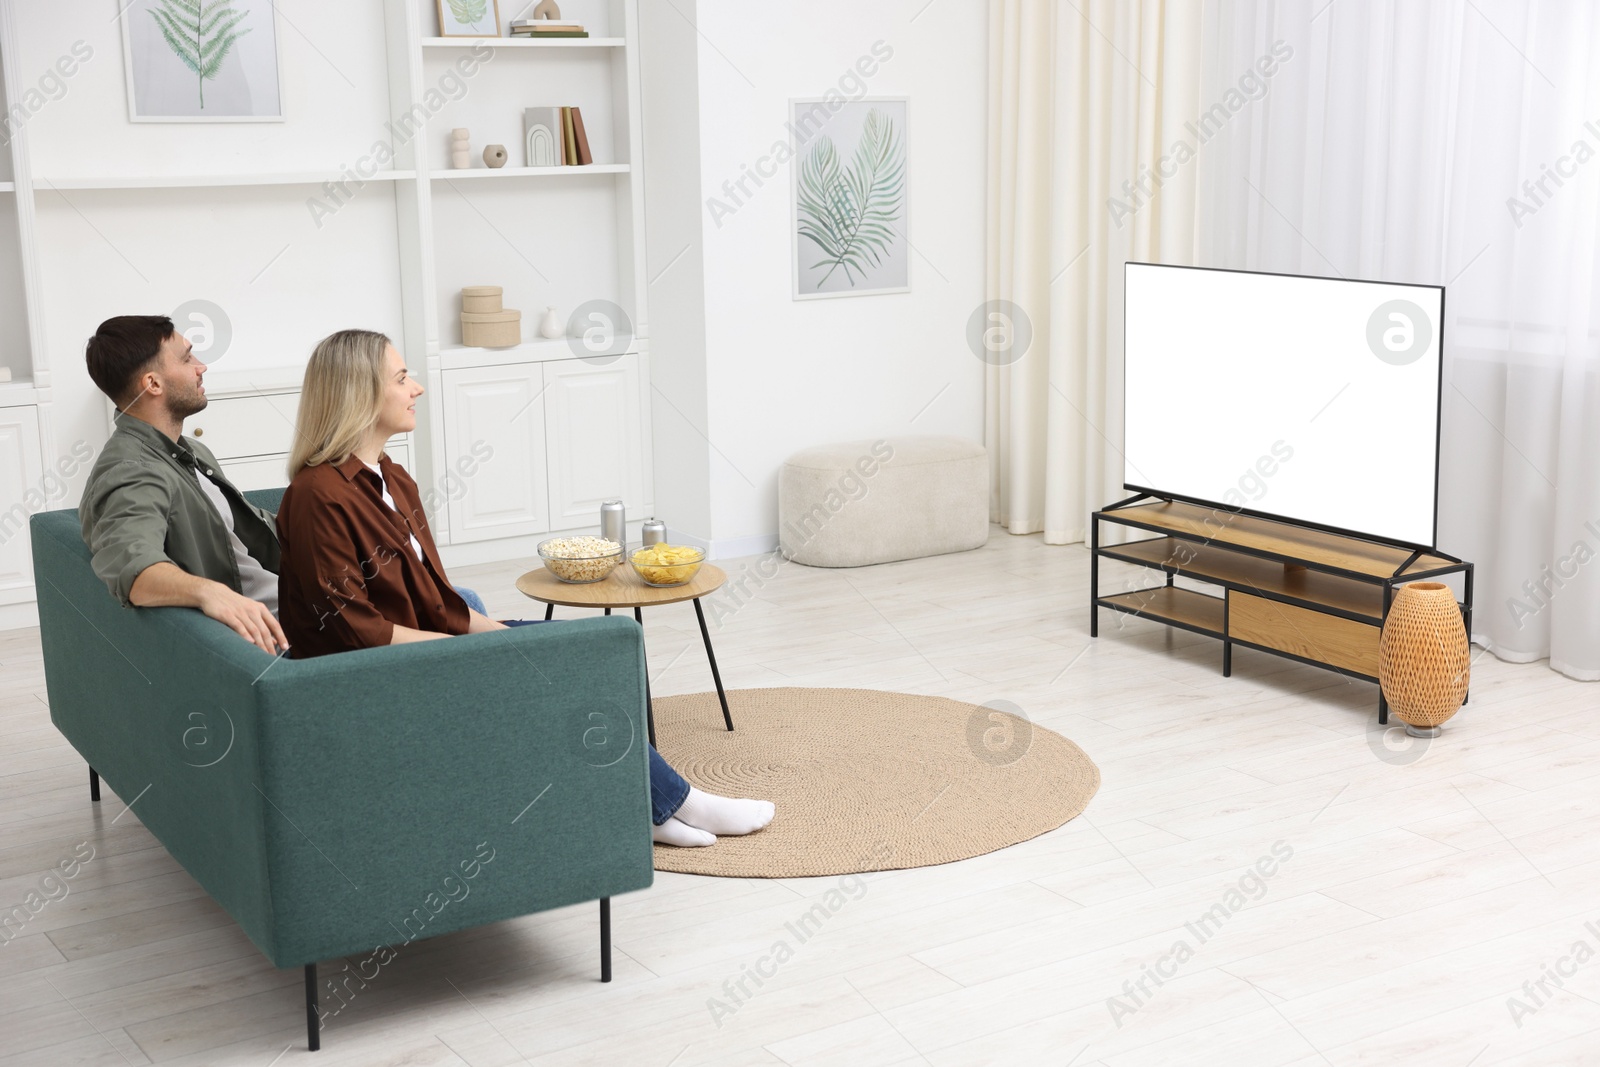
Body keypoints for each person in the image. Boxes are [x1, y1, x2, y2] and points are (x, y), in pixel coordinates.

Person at [274, 328, 773, 848]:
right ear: (360, 394)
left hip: (426, 653)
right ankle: (682, 804)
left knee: (591, 654)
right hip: (372, 682)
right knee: (554, 670)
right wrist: (472, 655)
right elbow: (356, 632)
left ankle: (647, 807)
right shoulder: (317, 497)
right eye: (402, 378)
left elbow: (438, 602)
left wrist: (501, 639)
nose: (416, 388)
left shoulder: (394, 480)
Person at [79, 316, 289, 655]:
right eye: (187, 357)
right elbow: (134, 568)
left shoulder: (187, 451)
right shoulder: (131, 472)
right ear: (153, 384)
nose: (201, 367)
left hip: (302, 601)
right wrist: (210, 592)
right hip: (284, 631)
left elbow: (244, 532)